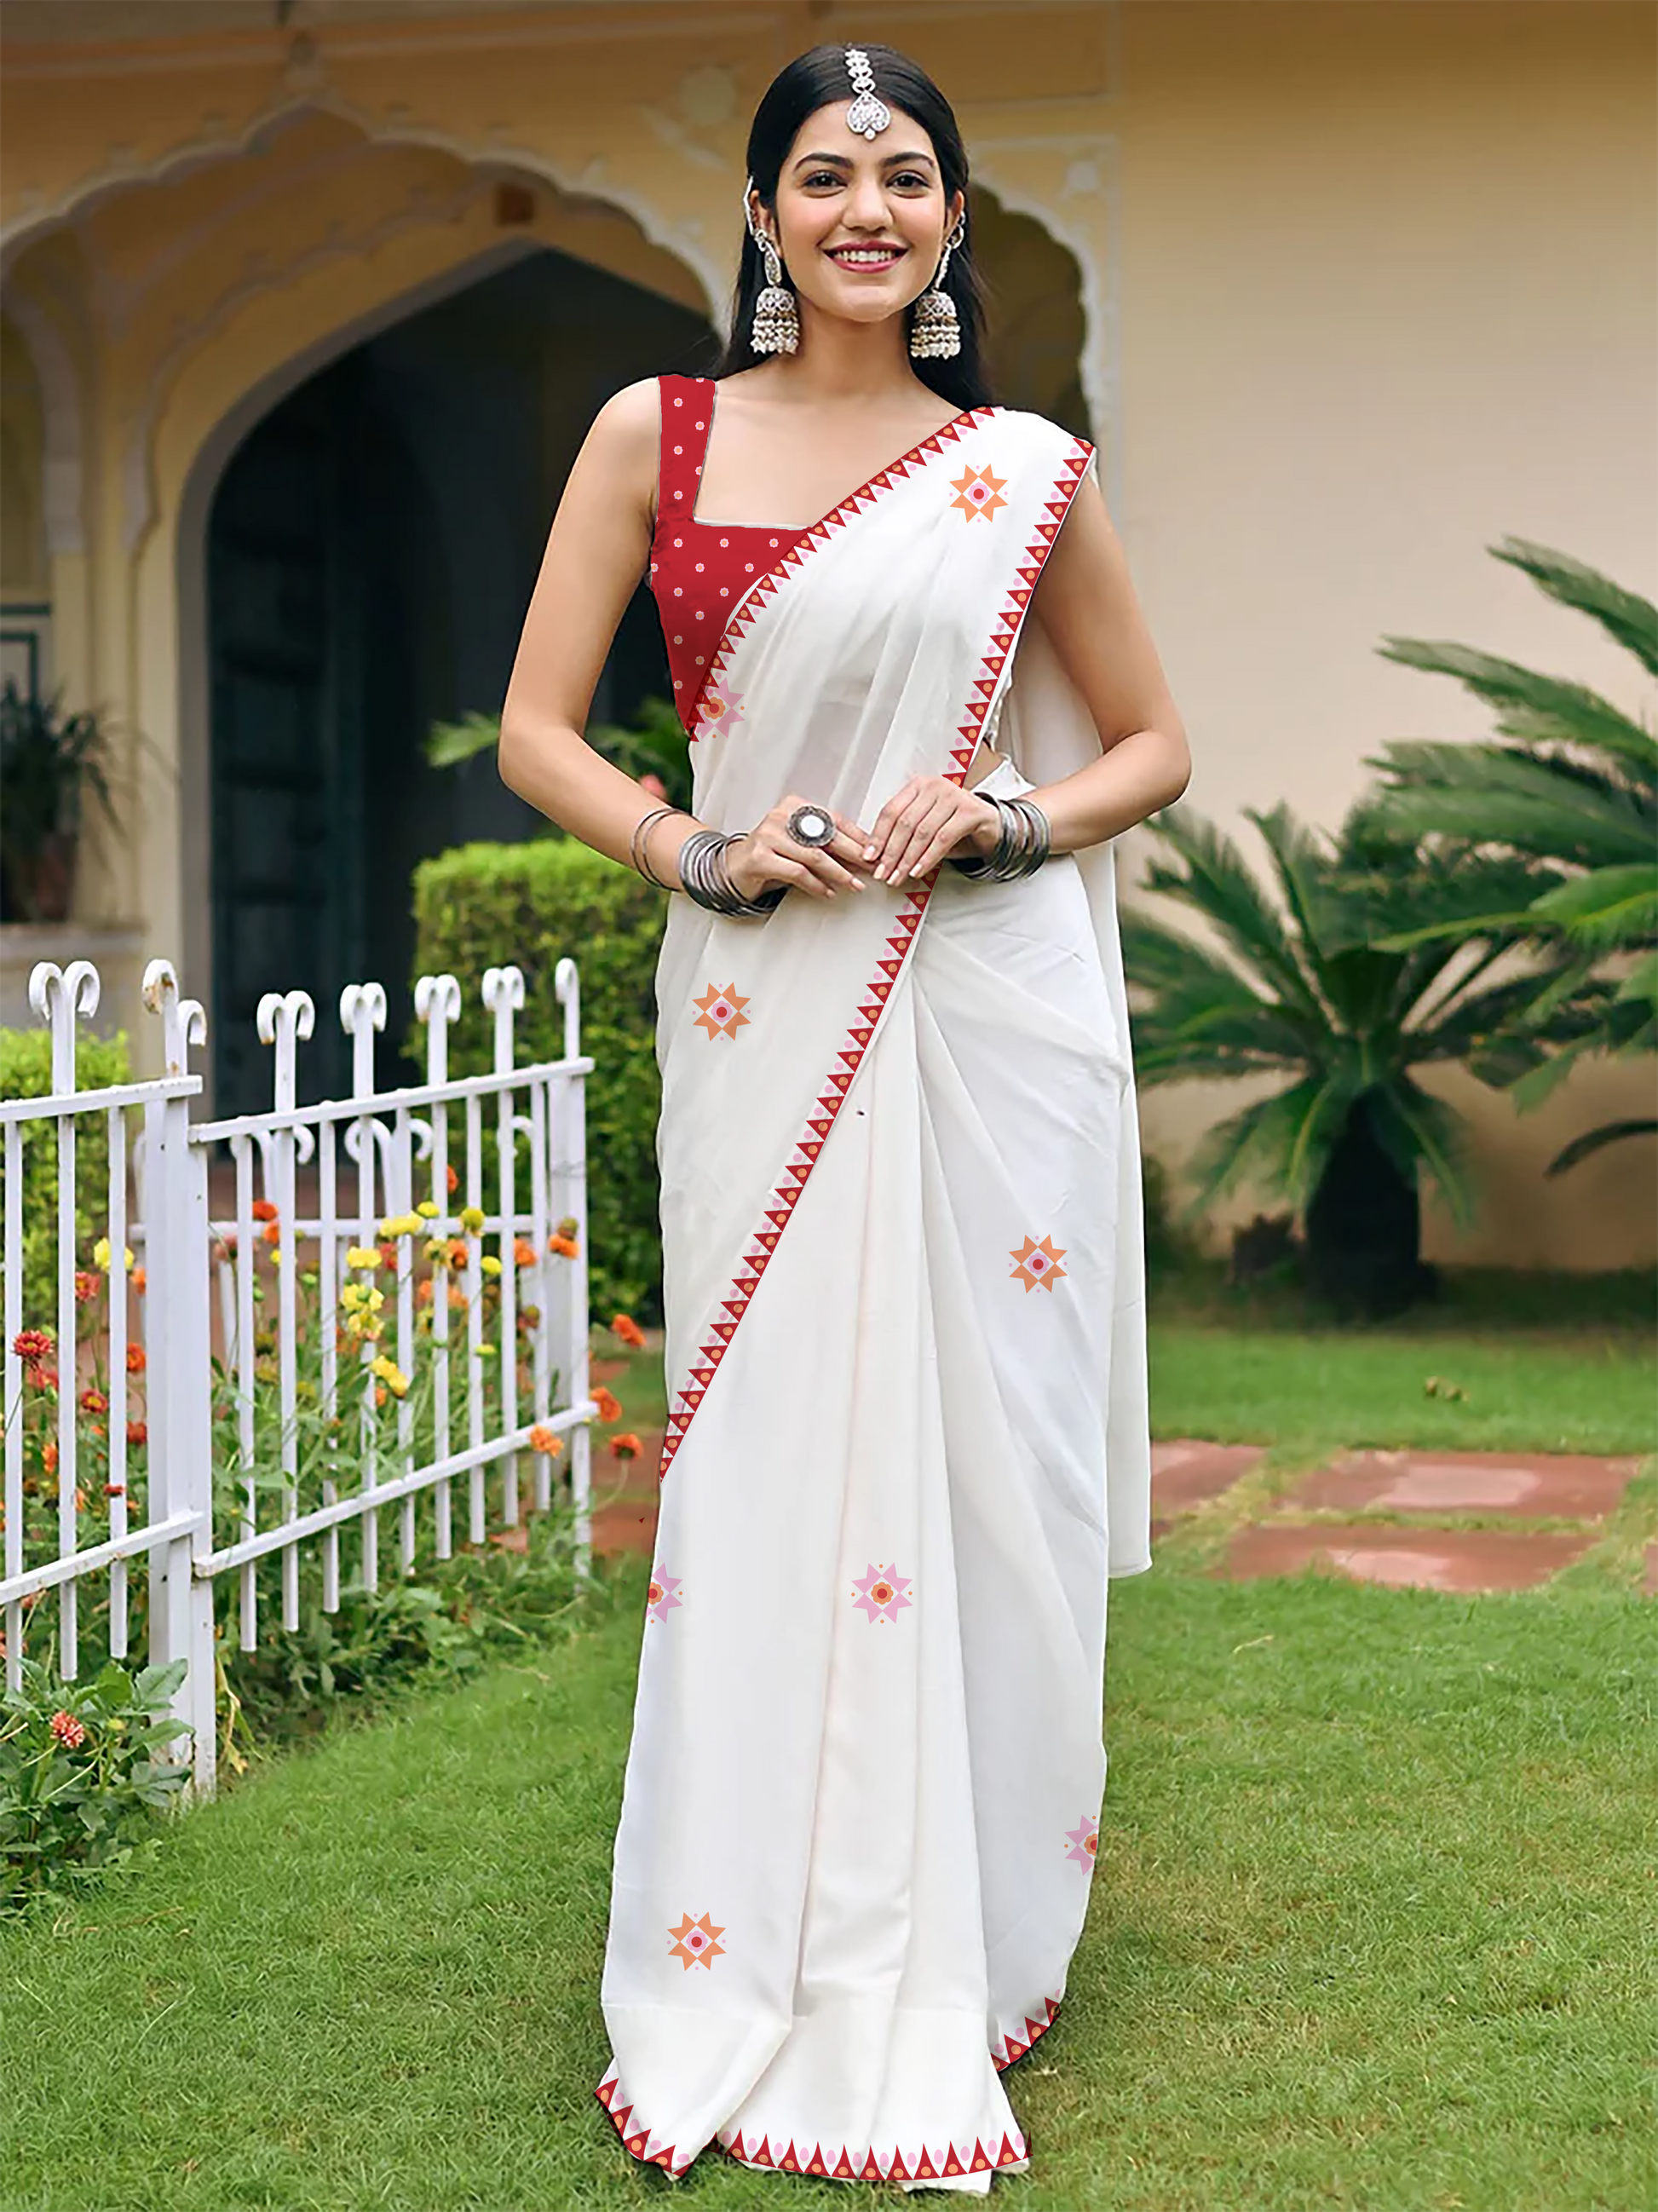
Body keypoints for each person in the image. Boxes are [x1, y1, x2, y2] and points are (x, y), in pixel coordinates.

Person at [498, 39, 1189, 2194]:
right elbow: (539, 728)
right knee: (773, 1445)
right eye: (825, 177)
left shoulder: (1016, 468)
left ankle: (960, 1929)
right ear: (766, 215)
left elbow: (1148, 748)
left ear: (955, 218)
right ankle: (734, 1937)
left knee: (985, 1461)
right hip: (759, 998)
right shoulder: (656, 433)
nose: (866, 210)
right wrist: (687, 845)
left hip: (974, 1012)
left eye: (905, 176)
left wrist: (1004, 813)